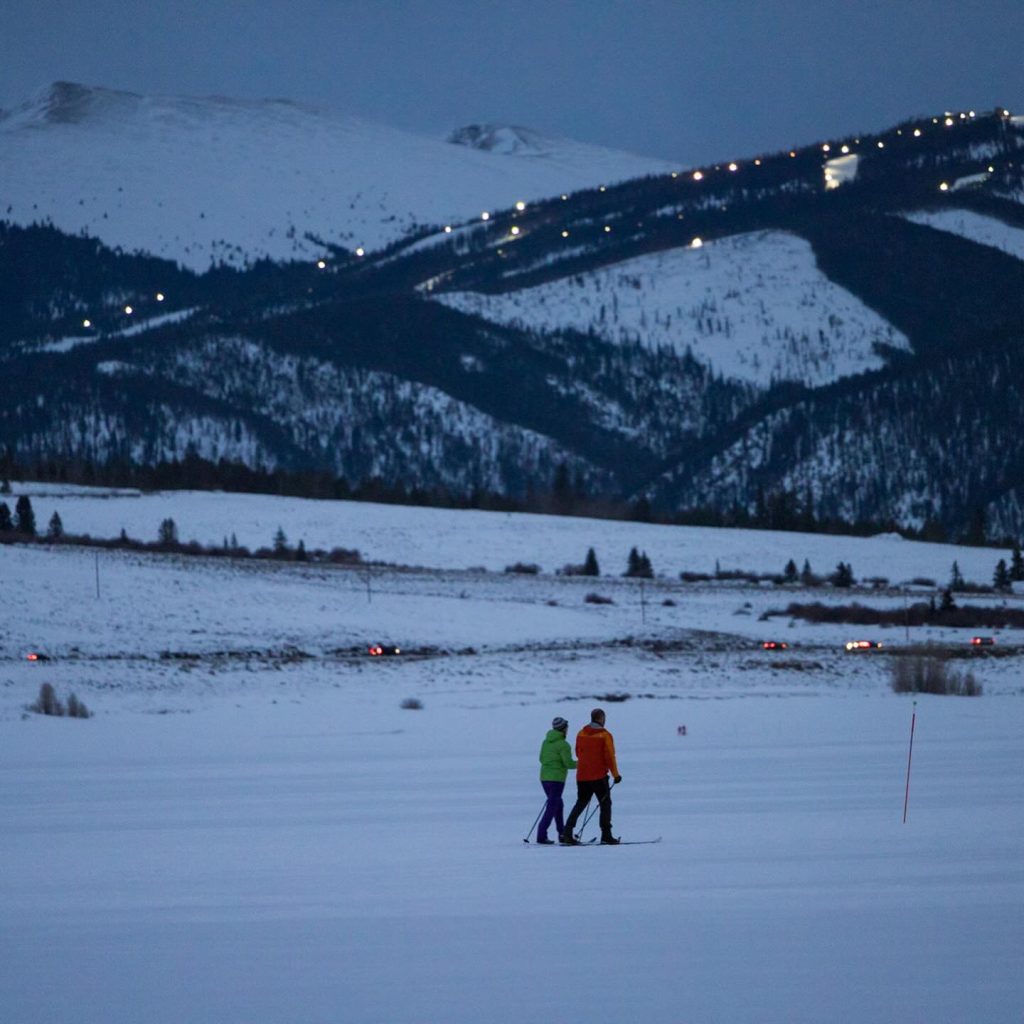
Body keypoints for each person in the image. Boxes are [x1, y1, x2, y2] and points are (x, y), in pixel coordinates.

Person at [561, 707, 622, 845]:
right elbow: (610, 757)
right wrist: (616, 775)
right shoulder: (605, 735)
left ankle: (567, 831)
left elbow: (577, 753)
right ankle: (606, 835)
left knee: (581, 803)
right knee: (605, 804)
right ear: (601, 719)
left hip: (582, 776)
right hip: (599, 776)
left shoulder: (581, 733)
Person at [536, 716, 577, 844]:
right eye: (567, 727)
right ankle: (541, 836)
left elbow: (541, 758)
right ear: (563, 729)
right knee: (553, 806)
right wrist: (584, 763)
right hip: (556, 780)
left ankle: (562, 833)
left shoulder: (546, 742)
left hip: (544, 778)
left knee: (558, 805)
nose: (568, 729)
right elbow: (569, 764)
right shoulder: (563, 745)